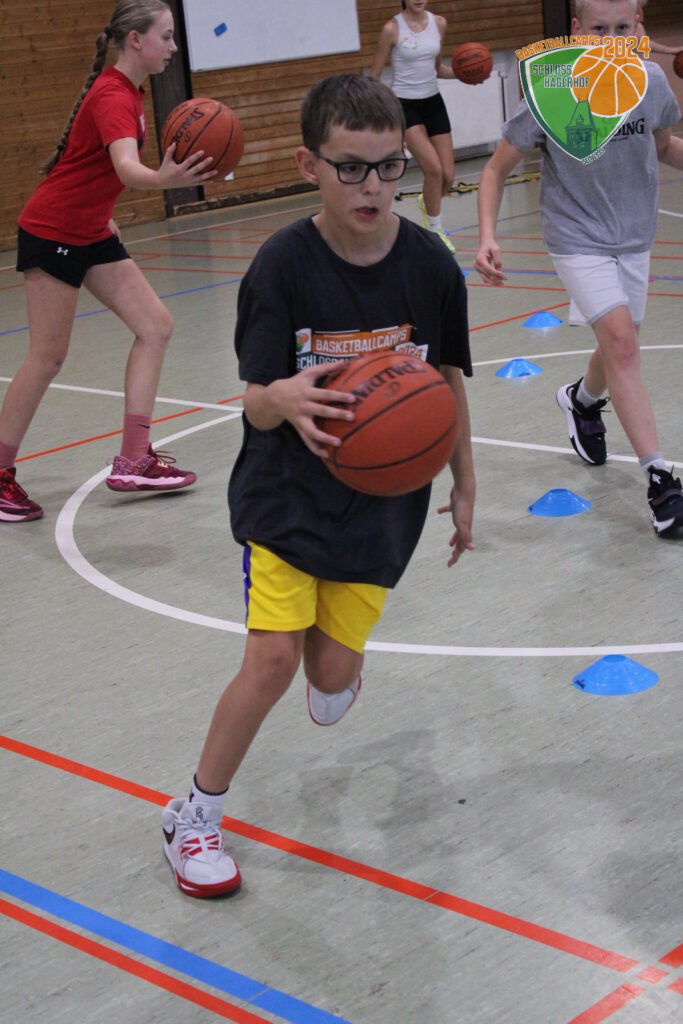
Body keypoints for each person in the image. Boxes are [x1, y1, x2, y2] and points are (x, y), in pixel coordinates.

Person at [161, 73, 476, 898]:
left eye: (388, 167)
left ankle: (336, 669)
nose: (372, 186)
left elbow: (445, 377)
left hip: (384, 504)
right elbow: (254, 401)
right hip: (286, 495)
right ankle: (193, 816)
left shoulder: (429, 267)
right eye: (351, 168)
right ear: (310, 167)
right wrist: (285, 398)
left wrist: (465, 480)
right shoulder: (282, 266)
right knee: (271, 660)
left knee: (329, 678)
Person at [0, 0, 217, 524]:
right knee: (47, 357)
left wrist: (103, 212)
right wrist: (164, 179)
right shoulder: (114, 96)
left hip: (90, 230)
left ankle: (135, 459)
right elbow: (124, 165)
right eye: (166, 36)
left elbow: (92, 166)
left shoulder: (128, 93)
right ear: (136, 40)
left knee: (155, 326)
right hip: (53, 231)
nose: (173, 47)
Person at [475, 0, 683, 539]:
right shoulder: (552, 90)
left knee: (620, 344)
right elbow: (495, 170)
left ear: (637, 27)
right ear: (576, 30)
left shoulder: (649, 81)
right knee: (623, 345)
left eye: (622, 27)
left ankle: (582, 402)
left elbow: (664, 148)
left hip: (635, 233)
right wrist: (488, 235)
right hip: (575, 236)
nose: (611, 39)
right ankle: (661, 482)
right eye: (598, 28)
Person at [371, 0, 457, 254]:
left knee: (448, 176)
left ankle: (426, 201)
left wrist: (465, 74)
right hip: (405, 105)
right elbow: (374, 78)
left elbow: (437, 69)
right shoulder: (392, 29)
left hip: (434, 102)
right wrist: (385, 117)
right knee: (434, 170)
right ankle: (435, 231)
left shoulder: (439, 23)